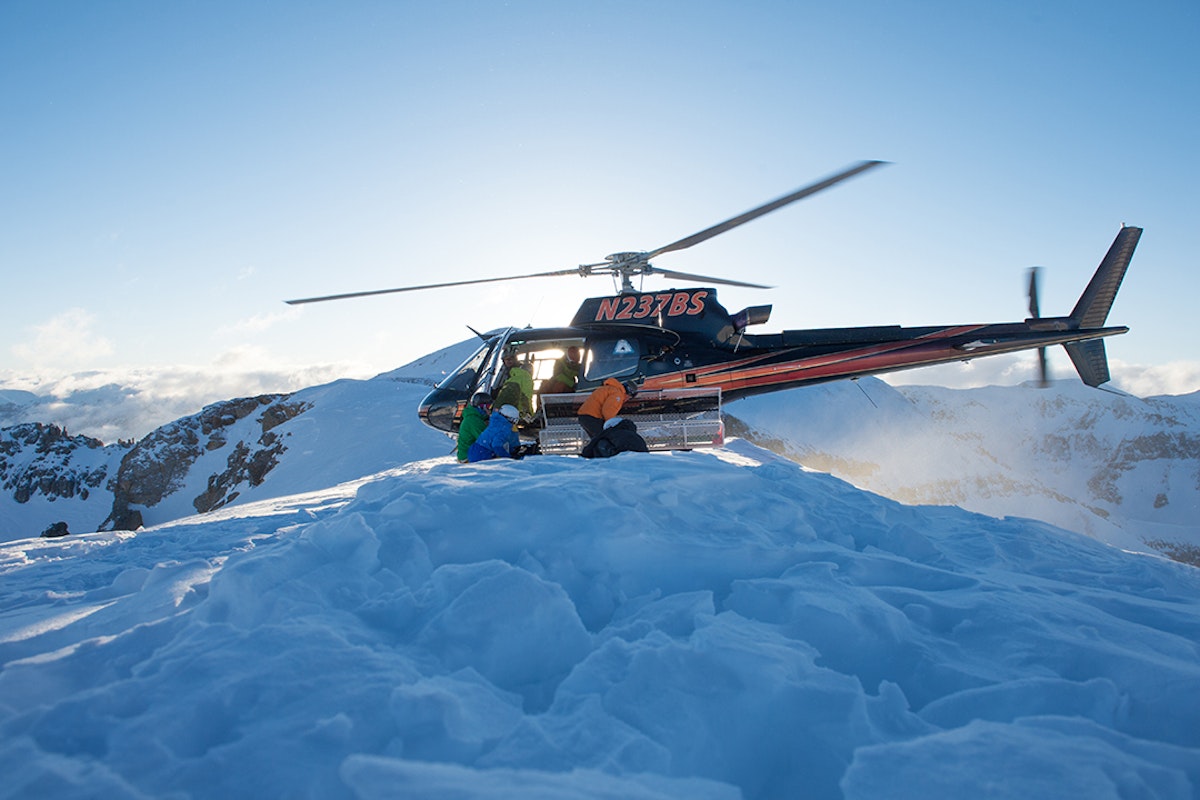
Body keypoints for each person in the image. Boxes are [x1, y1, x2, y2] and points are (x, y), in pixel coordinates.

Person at [581, 416, 649, 459]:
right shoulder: (634, 434)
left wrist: (586, 454)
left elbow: (593, 443)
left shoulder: (611, 432)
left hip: (621, 459)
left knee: (600, 442)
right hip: (641, 459)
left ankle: (602, 463)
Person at [492, 353, 533, 420]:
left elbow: (524, 398)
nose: (508, 361)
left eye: (510, 359)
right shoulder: (511, 376)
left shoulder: (517, 376)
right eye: (506, 359)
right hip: (519, 414)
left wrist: (494, 411)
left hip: (514, 414)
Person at [455, 391, 491, 463]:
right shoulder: (473, 420)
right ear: (481, 407)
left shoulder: (475, 417)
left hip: (469, 453)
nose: (490, 410)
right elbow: (486, 440)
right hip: (468, 457)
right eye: (488, 406)